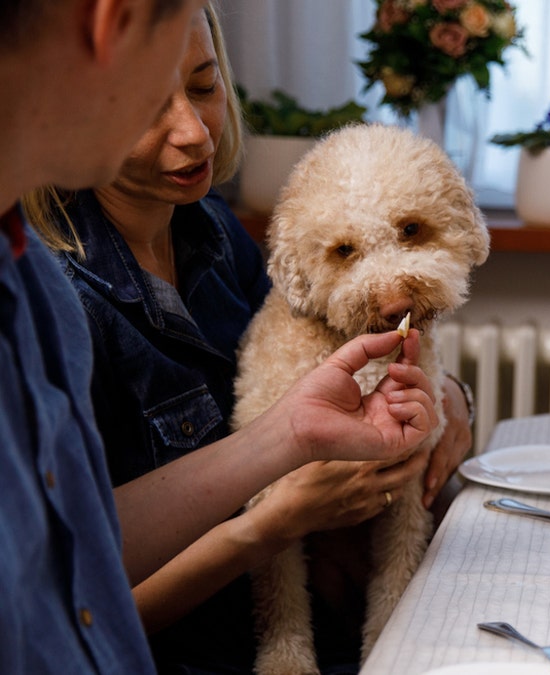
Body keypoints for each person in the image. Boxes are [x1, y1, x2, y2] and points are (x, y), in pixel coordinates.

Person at [0, 1, 437, 671]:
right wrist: (269, 523)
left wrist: (445, 395)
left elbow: (78, 536)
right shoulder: (57, 291)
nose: (196, 135)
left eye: (205, 86)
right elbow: (74, 592)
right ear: (106, 29)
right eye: (149, 101)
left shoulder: (212, 229)